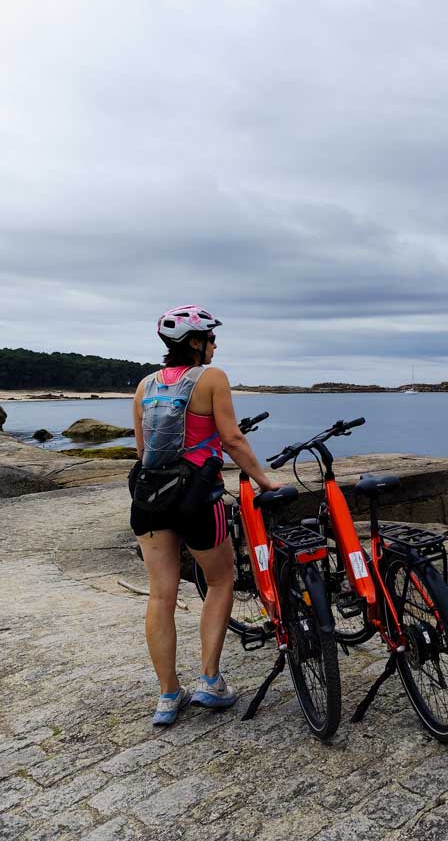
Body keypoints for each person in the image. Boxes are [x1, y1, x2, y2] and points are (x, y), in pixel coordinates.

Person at [131, 305, 277, 726]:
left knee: (161, 596)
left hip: (150, 499)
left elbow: (142, 453)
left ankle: (167, 696)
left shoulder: (144, 385)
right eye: (210, 337)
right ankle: (210, 682)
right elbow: (231, 438)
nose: (215, 344)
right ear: (194, 343)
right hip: (197, 497)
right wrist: (264, 481)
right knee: (220, 579)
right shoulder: (212, 378)